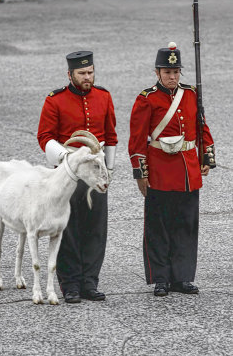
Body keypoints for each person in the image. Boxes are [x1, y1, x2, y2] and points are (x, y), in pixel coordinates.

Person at [128, 42, 216, 297]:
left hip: (188, 170)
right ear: (157, 73)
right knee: (159, 227)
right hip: (160, 170)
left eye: (176, 72)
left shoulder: (190, 94)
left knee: (186, 225)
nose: (172, 76)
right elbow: (136, 140)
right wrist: (140, 172)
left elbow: (202, 128)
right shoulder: (146, 99)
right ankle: (162, 278)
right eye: (167, 72)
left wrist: (207, 156)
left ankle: (183, 276)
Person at [37, 51, 118, 303]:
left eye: (90, 72)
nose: (87, 77)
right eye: (82, 73)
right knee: (68, 229)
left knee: (95, 227)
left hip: (95, 171)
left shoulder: (103, 96)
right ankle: (70, 283)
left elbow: (111, 136)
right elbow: (45, 137)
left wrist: (109, 169)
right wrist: (66, 160)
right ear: (70, 74)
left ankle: (90, 281)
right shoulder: (55, 100)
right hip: (68, 171)